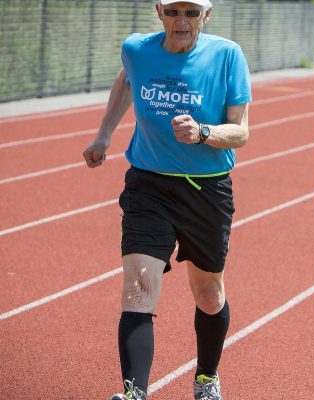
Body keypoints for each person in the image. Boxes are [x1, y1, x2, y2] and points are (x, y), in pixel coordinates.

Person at [82, 0, 252, 399]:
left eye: (191, 13)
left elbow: (241, 132)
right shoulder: (137, 48)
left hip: (205, 188)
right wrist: (104, 133)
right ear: (159, 11)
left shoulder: (227, 55)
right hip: (148, 184)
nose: (181, 21)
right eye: (174, 11)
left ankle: (206, 379)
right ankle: (134, 391)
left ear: (206, 16)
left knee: (208, 294)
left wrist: (203, 133)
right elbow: (128, 79)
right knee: (138, 284)